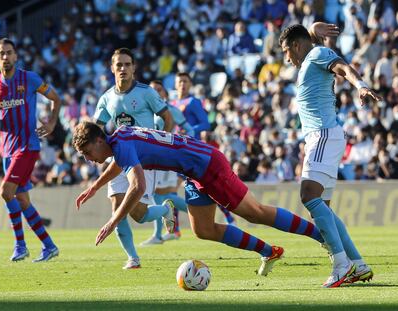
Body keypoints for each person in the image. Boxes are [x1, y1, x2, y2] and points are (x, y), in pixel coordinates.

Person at [73, 122, 327, 277]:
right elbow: (119, 163)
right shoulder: (119, 137)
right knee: (203, 229)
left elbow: (137, 187)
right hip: (194, 171)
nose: (87, 158)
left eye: (87, 152)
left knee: (255, 213)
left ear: (98, 140)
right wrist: (95, 187)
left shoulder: (121, 146)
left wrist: (113, 221)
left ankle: (321, 235)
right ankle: (269, 252)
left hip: (207, 166)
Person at [279, 23, 380, 287]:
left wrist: (360, 84)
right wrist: (312, 29)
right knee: (323, 207)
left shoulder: (314, 55)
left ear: (297, 46)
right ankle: (357, 263)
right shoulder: (310, 58)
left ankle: (341, 264)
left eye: (286, 51)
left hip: (322, 135)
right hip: (324, 136)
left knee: (308, 196)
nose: (286, 58)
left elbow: (342, 67)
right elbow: (312, 43)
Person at [92, 48, 175, 270]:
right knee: (117, 206)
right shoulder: (107, 98)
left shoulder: (146, 92)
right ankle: (133, 258)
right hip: (120, 158)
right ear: (112, 68)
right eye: (119, 65)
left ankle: (166, 210)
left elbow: (168, 118)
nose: (123, 69)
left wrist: (161, 146)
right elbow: (96, 129)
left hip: (145, 158)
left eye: (127, 64)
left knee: (140, 214)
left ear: (134, 68)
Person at [0, 38, 61, 262]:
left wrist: (52, 122)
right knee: (22, 199)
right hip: (6, 149)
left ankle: (20, 245)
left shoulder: (30, 78)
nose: (6, 57)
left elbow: (55, 98)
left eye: (10, 53)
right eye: (2, 53)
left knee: (6, 192)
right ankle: (49, 246)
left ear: (16, 56)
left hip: (27, 146)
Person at [169, 72, 235, 240]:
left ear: (190, 84)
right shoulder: (171, 104)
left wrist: (190, 130)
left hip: (191, 151)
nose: (182, 84)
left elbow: (205, 123)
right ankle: (175, 229)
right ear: (175, 85)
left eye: (185, 81)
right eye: (180, 81)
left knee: (204, 188)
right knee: (171, 190)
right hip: (175, 151)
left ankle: (229, 218)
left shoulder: (193, 102)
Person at [139, 80, 194, 246]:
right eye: (152, 89)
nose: (155, 92)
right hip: (152, 157)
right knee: (158, 195)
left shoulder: (171, 110)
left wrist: (176, 144)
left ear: (164, 94)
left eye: (158, 89)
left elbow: (189, 130)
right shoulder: (146, 111)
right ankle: (159, 234)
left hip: (166, 156)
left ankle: (199, 211)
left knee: (162, 194)